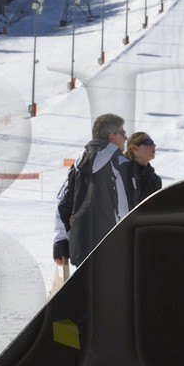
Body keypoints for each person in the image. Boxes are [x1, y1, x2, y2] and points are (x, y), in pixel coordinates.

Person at [56, 113, 136, 268]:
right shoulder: (120, 163)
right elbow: (124, 209)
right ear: (112, 137)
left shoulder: (77, 165)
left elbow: (62, 202)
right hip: (111, 247)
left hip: (80, 246)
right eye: (123, 133)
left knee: (86, 291)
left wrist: (60, 242)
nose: (126, 138)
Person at [124, 131, 162, 199]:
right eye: (148, 142)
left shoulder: (155, 180)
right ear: (134, 148)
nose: (154, 145)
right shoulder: (122, 174)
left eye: (153, 142)